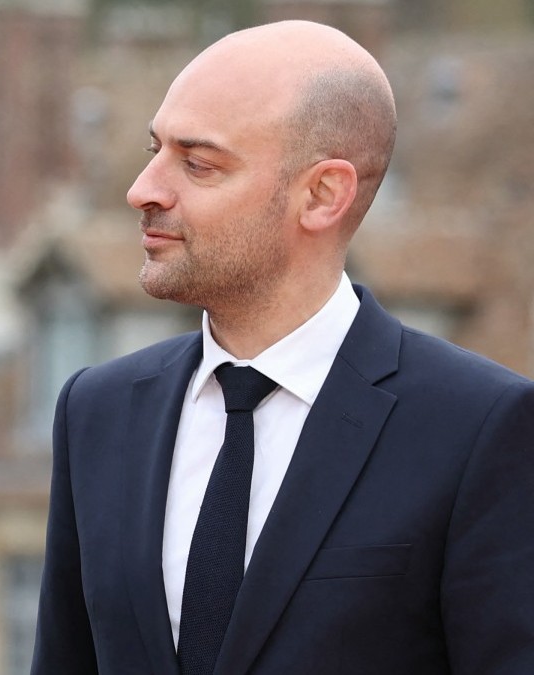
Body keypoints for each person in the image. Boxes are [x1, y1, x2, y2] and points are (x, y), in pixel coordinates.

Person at [32, 20, 534, 675]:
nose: (144, 189)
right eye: (154, 149)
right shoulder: (96, 409)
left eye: (198, 163)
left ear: (323, 195)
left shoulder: (479, 428)